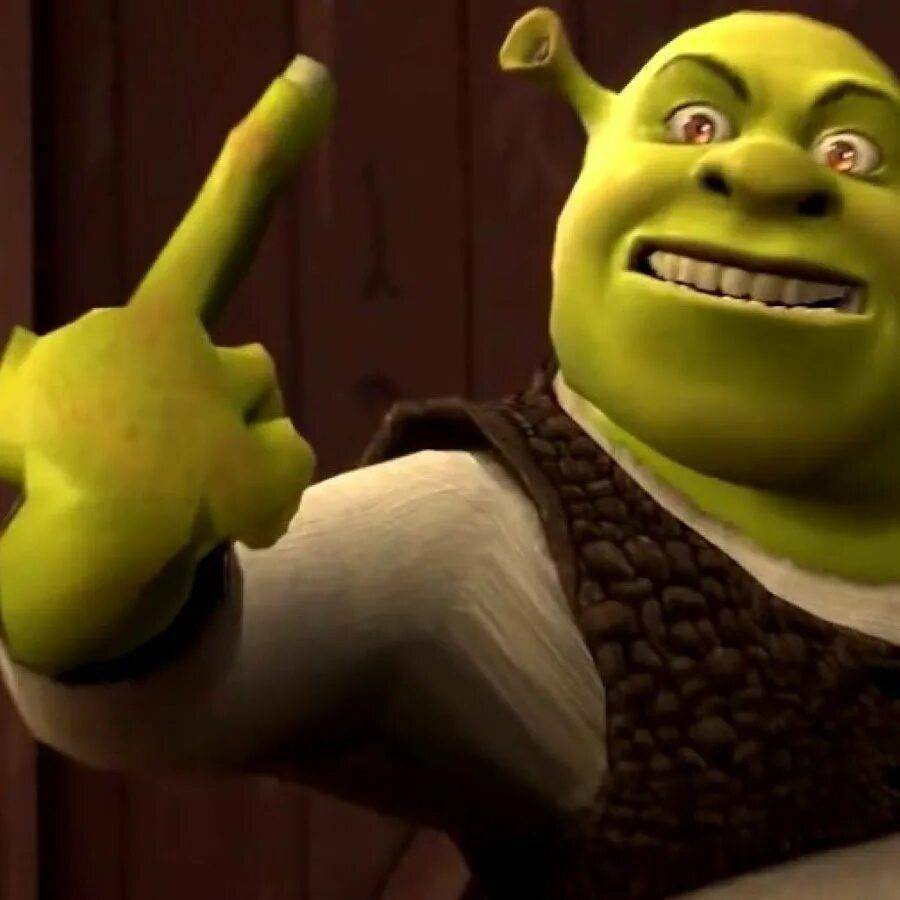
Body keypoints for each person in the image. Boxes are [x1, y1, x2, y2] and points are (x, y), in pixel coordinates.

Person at [0, 8, 897, 898]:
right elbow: (187, 679)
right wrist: (95, 549)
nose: (767, 172)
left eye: (851, 152)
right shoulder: (484, 536)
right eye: (694, 122)